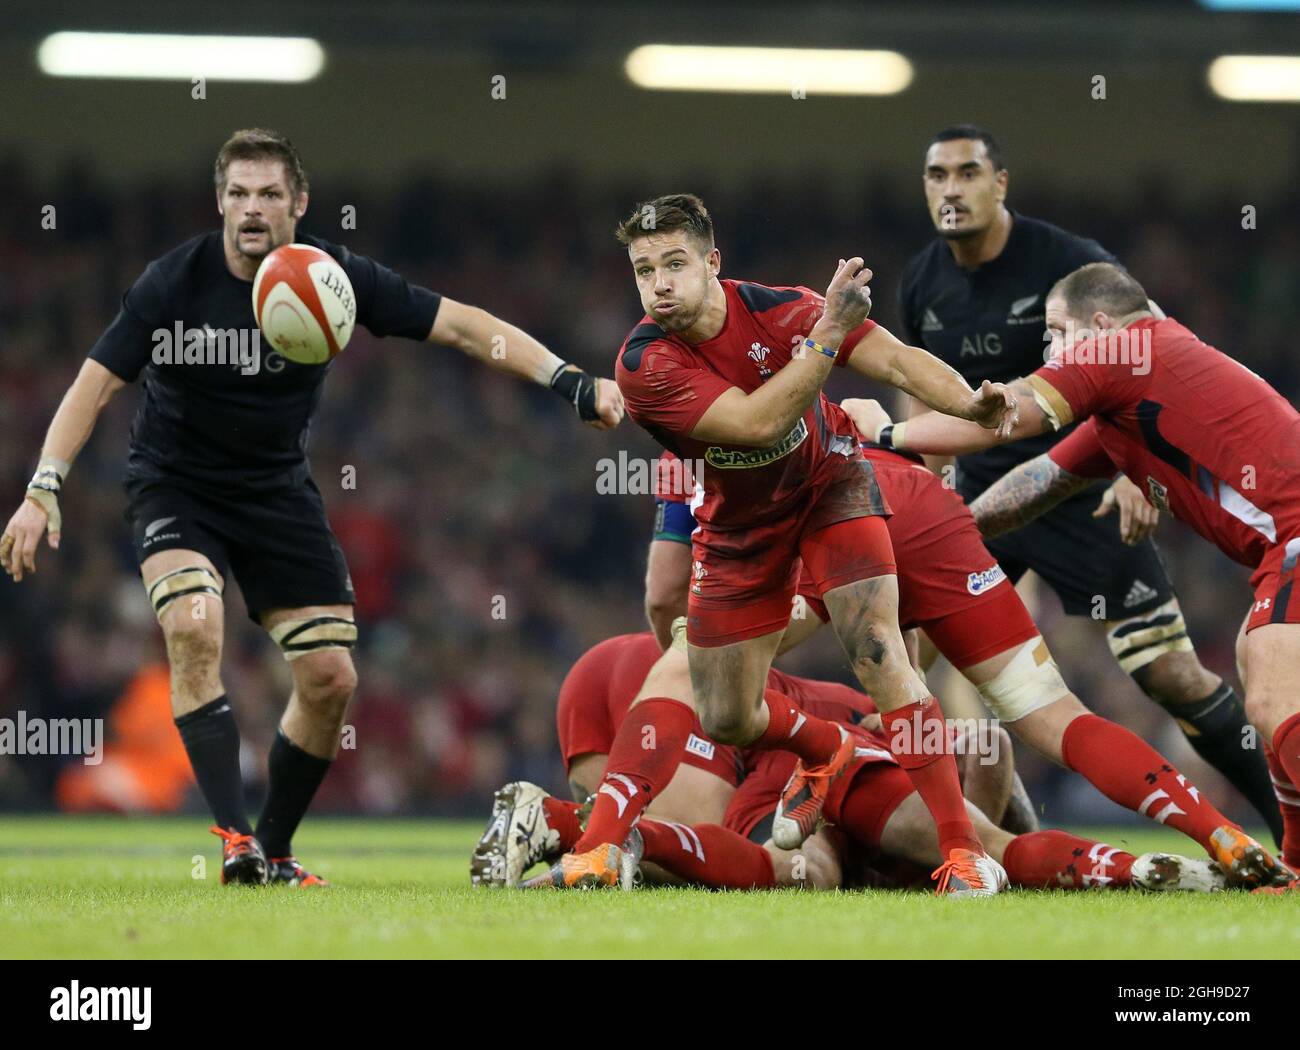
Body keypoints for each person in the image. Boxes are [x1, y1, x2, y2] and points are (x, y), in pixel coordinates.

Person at [0, 127, 624, 888]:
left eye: (268, 194)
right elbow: (94, 383)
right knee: (194, 627)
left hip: (274, 492)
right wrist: (43, 488)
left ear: (299, 202)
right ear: (220, 202)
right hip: (176, 485)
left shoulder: (337, 277)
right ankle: (234, 844)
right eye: (237, 194)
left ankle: (275, 850)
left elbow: (463, 325)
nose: (251, 209)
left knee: (331, 679)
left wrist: (569, 380)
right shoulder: (175, 283)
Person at [581, 192, 1021, 896]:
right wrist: (825, 337)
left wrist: (967, 400)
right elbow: (757, 424)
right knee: (727, 717)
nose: (660, 283)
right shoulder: (644, 363)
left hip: (830, 488)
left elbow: (900, 362)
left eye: (674, 263)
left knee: (880, 652)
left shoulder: (781, 308)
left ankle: (963, 854)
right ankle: (827, 746)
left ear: (712, 263)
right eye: (643, 270)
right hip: (738, 528)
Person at [853, 260, 1300, 892]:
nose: (1053, 353)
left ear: (1097, 324)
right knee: (1260, 670)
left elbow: (1006, 415)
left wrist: (889, 432)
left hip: (1295, 533)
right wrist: (944, 538)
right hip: (1282, 548)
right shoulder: (1125, 410)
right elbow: (1038, 484)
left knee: (1273, 695)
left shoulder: (1125, 350)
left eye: (1056, 336)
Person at [896, 126, 1277, 839]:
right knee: (902, 645)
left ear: (999, 183)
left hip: (1083, 486)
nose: (952, 188)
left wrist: (1138, 465)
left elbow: (1154, 343)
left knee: (1169, 675)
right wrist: (926, 487)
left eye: (968, 172)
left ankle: (1282, 830)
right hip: (986, 497)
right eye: (937, 176)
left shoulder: (1067, 260)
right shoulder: (922, 279)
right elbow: (918, 388)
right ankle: (956, 839)